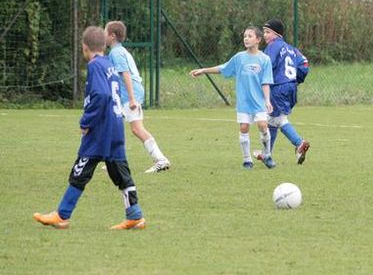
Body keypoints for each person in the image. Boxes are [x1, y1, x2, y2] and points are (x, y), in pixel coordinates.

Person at [33, 26, 146, 230]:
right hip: (115, 125)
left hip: (100, 130)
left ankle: (62, 215)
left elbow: (101, 95)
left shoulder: (94, 66)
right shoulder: (109, 64)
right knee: (121, 174)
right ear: (103, 45)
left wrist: (86, 122)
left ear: (85, 48)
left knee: (80, 172)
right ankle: (135, 215)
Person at [190, 26, 275, 169]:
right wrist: (204, 70)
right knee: (244, 127)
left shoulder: (264, 59)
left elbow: (266, 82)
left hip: (259, 101)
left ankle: (267, 155)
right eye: (245, 36)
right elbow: (223, 68)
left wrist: (267, 100)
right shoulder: (239, 58)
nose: (246, 39)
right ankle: (247, 160)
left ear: (258, 40)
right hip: (244, 102)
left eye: (250, 36)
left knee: (263, 125)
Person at [105, 21, 170, 173]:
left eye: (105, 32)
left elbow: (125, 73)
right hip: (126, 94)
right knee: (113, 124)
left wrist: (132, 98)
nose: (103, 35)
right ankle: (113, 159)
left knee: (136, 128)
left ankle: (160, 159)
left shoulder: (116, 53)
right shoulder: (119, 51)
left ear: (112, 36)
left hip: (129, 93)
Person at [253, 19, 310, 165]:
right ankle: (267, 154)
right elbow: (304, 64)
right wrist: (295, 80)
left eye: (267, 32)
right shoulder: (291, 48)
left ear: (277, 34)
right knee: (273, 120)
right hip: (290, 87)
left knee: (278, 120)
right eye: (264, 32)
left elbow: (267, 65)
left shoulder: (273, 46)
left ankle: (299, 143)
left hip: (278, 87)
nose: (264, 35)